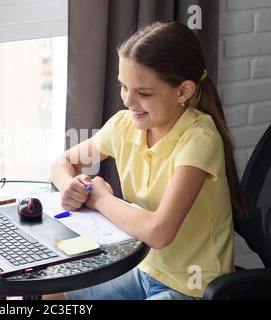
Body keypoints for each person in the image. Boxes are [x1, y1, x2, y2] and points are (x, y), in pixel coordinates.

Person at [47, 21, 246, 300]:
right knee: (46, 294)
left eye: (143, 92)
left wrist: (100, 199)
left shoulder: (199, 140)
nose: (128, 101)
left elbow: (159, 233)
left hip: (192, 286)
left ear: (183, 91)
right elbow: (63, 162)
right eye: (123, 87)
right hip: (143, 269)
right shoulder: (124, 126)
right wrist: (70, 184)